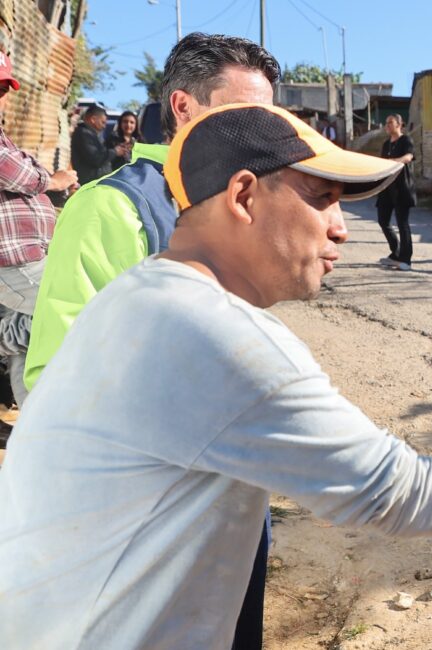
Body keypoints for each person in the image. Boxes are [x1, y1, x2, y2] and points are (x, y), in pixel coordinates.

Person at [0, 103, 432, 650]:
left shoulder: (141, 294)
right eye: (323, 200)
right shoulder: (209, 329)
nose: (341, 229)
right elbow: (386, 490)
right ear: (245, 195)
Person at [25, 33, 283, 649]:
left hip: (235, 499)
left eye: (267, 115)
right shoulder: (111, 211)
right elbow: (56, 378)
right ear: (184, 108)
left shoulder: (240, 202)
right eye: (242, 110)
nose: (260, 128)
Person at [0, 52, 77, 406]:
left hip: (22, 259)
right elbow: (20, 174)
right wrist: (55, 179)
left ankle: (32, 425)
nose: (2, 94)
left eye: (4, 87)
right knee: (75, 307)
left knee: (31, 332)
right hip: (15, 261)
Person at [375, 114, 415, 271]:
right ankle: (396, 252)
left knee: (402, 223)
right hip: (386, 187)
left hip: (402, 188)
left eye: (390, 122)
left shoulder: (406, 140)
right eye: (386, 123)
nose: (387, 125)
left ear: (399, 124)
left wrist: (392, 162)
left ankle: (406, 260)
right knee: (383, 220)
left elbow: (408, 157)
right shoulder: (386, 144)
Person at [71, 105, 124, 186]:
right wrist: (115, 152)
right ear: (93, 119)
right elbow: (96, 158)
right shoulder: (83, 134)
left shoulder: (93, 135)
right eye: (103, 122)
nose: (104, 126)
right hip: (91, 184)